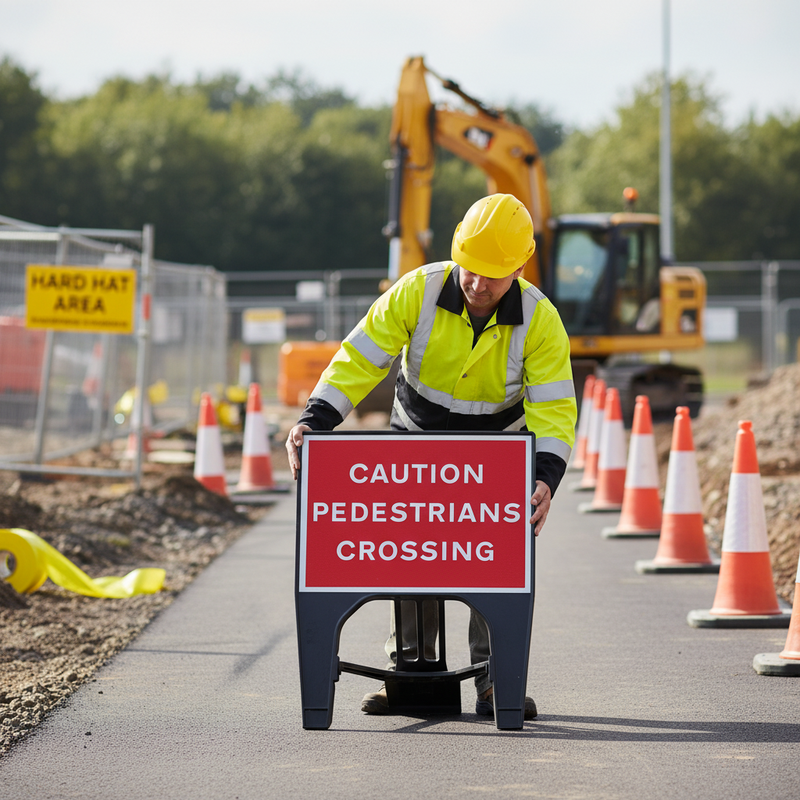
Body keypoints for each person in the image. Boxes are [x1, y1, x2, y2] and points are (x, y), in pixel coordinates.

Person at [286, 193, 577, 720]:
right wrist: (316, 418)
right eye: (470, 268)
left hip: (496, 452)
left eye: (492, 274)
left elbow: (554, 408)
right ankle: (411, 677)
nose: (477, 284)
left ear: (519, 267)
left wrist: (544, 478)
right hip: (414, 439)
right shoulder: (417, 291)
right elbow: (361, 356)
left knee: (492, 563)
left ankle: (492, 682)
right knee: (410, 550)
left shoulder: (540, 321)